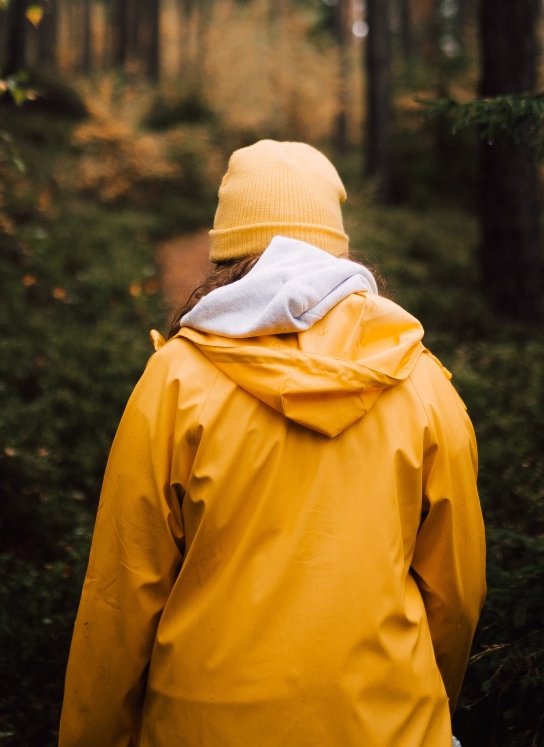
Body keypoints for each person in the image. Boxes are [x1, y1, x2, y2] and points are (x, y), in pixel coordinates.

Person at [59, 140, 486, 747]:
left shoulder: (176, 381)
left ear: (224, 251)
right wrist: (417, 700)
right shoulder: (420, 382)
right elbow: (457, 593)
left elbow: (121, 594)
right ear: (335, 246)